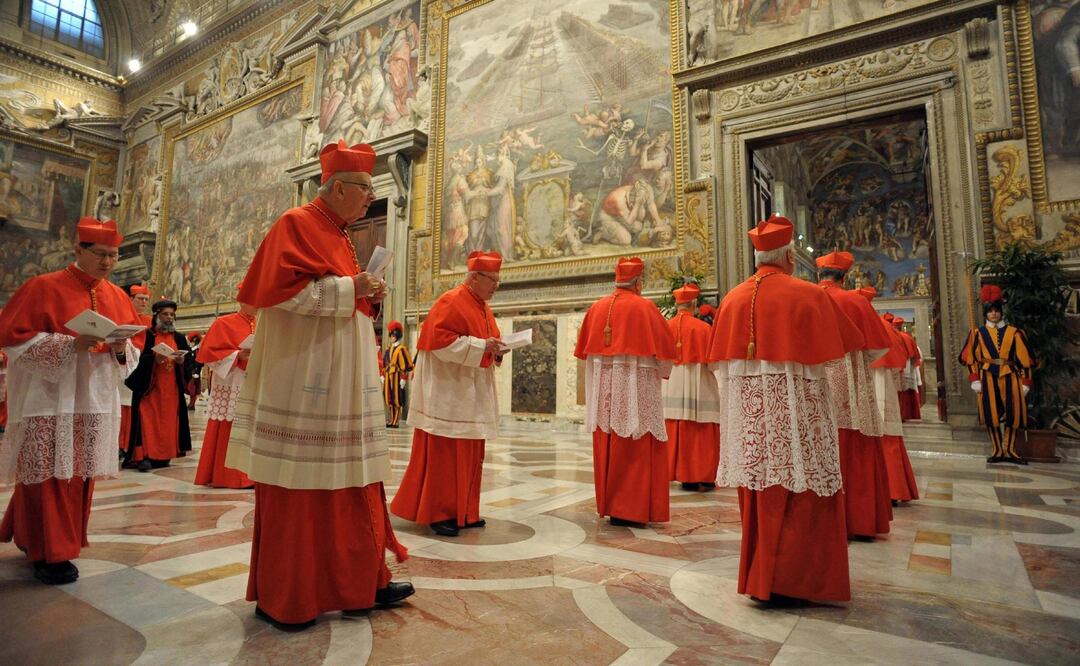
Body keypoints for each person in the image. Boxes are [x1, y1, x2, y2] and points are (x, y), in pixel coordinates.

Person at [226, 140, 412, 631]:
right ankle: (291, 594)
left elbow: (335, 294)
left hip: (342, 377)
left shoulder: (341, 234)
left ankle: (358, 583)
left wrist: (367, 291)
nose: (371, 198)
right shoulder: (297, 223)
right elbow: (280, 298)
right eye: (366, 189)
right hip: (304, 377)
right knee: (302, 484)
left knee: (351, 479)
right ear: (338, 188)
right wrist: (354, 287)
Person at [708, 215, 863, 603]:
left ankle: (761, 578)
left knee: (761, 490)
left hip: (752, 425)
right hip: (800, 419)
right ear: (791, 255)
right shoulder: (808, 295)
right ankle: (799, 581)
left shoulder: (731, 299)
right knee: (804, 488)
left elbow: (719, 368)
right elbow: (840, 354)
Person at [0, 217, 139, 584]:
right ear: (78, 250)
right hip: (49, 398)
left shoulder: (117, 295)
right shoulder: (42, 287)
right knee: (47, 474)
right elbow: (14, 341)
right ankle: (51, 553)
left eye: (114, 256)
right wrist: (67, 345)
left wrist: (121, 348)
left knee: (76, 476)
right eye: (101, 255)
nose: (109, 263)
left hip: (93, 399)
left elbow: (131, 353)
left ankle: (47, 539)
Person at [391, 252, 504, 537]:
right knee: (446, 456)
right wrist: (482, 346)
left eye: (498, 280)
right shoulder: (452, 300)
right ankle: (440, 512)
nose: (496, 286)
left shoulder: (482, 307)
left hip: (470, 394)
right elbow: (439, 342)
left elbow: (486, 342)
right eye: (492, 280)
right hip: (449, 394)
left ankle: (464, 511)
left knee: (471, 454)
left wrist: (497, 349)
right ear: (475, 277)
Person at [574, 257, 676, 527]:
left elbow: (586, 355)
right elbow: (665, 354)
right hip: (636, 391)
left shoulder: (596, 308)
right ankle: (632, 508)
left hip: (604, 396)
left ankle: (612, 505)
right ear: (639, 283)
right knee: (635, 440)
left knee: (609, 438)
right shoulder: (645, 308)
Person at [816, 252, 894, 540]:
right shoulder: (857, 301)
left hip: (815, 381)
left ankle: (823, 521)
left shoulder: (808, 296)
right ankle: (859, 520)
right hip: (851, 380)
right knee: (855, 443)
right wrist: (857, 360)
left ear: (819, 274)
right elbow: (879, 347)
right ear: (845, 277)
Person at [959, 284, 1034, 464]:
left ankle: (1010, 450)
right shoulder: (977, 334)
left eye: (996, 310)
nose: (993, 314)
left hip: (1011, 376)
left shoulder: (1015, 333)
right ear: (985, 313)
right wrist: (974, 379)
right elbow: (970, 359)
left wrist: (1025, 382)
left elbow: (1026, 360)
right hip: (987, 377)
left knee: (1013, 413)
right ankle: (997, 450)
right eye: (990, 311)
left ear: (1001, 312)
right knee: (991, 414)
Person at [662, 282, 721, 491]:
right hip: (700, 384)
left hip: (671, 386)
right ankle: (704, 475)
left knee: (676, 425)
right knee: (701, 427)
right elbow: (715, 362)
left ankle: (682, 475)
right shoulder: (704, 328)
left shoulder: (665, 327)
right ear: (695, 304)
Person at [124, 299, 193, 472]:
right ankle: (144, 456)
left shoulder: (179, 338)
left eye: (172, 314)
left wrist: (182, 361)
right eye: (165, 314)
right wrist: (153, 360)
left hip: (172, 390)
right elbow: (135, 360)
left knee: (168, 423)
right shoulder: (146, 336)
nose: (169, 318)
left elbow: (189, 363)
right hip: (150, 389)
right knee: (148, 422)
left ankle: (164, 455)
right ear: (157, 315)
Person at [193, 300, 257, 489]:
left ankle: (252, 475)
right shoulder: (224, 323)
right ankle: (228, 476)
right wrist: (238, 355)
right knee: (229, 426)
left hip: (255, 380)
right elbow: (210, 355)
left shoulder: (265, 323)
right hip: (232, 381)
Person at [863, 299, 920, 503]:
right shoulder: (887, 329)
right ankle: (894, 489)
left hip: (873, 378)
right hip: (884, 379)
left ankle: (889, 489)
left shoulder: (873, 326)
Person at [118, 285, 153, 454]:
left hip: (141, 367)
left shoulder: (149, 321)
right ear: (131, 299)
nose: (144, 302)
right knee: (121, 404)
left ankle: (129, 444)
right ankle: (118, 443)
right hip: (122, 365)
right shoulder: (122, 315)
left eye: (146, 299)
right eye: (140, 298)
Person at [382, 320, 414, 428]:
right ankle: (391, 420)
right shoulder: (388, 349)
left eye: (393, 335)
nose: (391, 337)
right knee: (389, 399)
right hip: (388, 375)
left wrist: (404, 378)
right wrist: (382, 375)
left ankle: (396, 421)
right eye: (390, 335)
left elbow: (405, 365)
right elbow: (384, 363)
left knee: (397, 399)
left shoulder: (402, 349)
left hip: (397, 376)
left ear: (397, 336)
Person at [892, 317, 924, 421]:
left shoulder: (892, 336)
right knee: (907, 389)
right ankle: (909, 414)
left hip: (897, 367)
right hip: (908, 367)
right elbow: (916, 356)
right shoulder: (907, 337)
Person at [186, 331, 204, 410]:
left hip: (195, 372)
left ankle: (192, 404)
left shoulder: (198, 350)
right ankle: (191, 404)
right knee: (191, 389)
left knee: (193, 389)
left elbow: (200, 362)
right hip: (191, 371)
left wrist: (196, 372)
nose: (193, 342)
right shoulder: (191, 350)